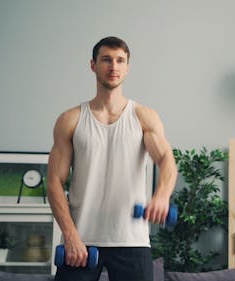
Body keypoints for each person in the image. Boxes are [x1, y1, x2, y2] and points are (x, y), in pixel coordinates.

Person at [47, 36, 177, 281]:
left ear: (127, 67)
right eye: (106, 59)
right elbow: (54, 181)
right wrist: (71, 235)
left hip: (132, 240)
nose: (113, 67)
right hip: (81, 241)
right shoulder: (71, 119)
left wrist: (161, 196)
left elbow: (166, 159)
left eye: (120, 61)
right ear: (93, 65)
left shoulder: (143, 117)